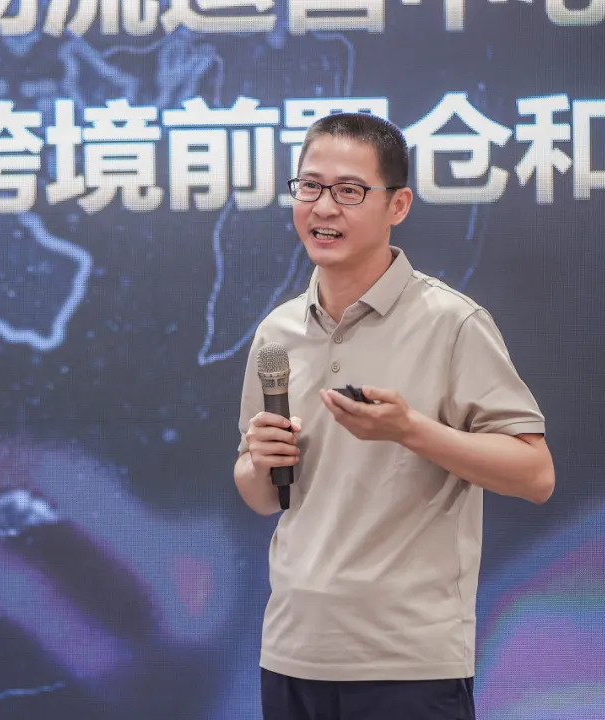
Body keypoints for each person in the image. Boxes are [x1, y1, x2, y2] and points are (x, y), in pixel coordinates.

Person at [234, 112, 555, 720]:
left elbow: (535, 475)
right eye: (310, 186)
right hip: (293, 651)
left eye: (349, 191)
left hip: (408, 663)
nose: (323, 207)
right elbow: (260, 495)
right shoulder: (277, 332)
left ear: (398, 204)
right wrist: (259, 464)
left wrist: (411, 430)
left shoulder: (452, 323)